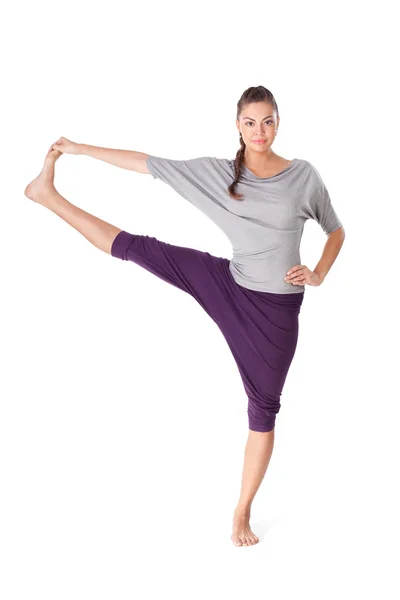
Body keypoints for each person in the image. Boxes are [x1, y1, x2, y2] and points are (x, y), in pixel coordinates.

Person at [24, 85, 345, 547]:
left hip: (275, 312)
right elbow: (145, 163)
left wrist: (318, 272)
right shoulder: (217, 174)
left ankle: (241, 511)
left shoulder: (303, 177)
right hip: (228, 283)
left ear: (279, 123)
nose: (260, 131)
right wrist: (77, 149)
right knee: (141, 249)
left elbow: (335, 230)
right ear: (238, 125)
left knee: (263, 411)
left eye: (268, 121)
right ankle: (48, 196)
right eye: (250, 122)